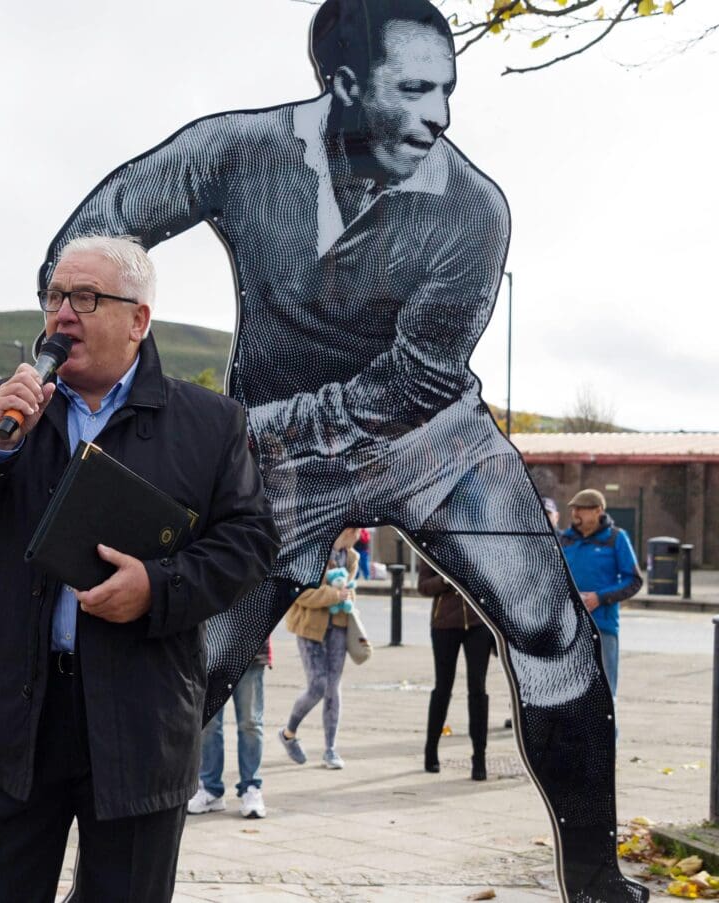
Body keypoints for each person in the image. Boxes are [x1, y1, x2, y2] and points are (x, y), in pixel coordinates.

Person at [40, 1, 647, 899]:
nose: (442, 111)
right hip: (272, 464)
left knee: (552, 627)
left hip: (434, 443)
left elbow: (411, 384)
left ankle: (596, 883)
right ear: (345, 85)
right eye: (415, 88)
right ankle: (115, 881)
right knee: (194, 662)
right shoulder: (236, 149)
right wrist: (157, 402)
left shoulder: (474, 208)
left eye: (447, 86)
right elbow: (91, 238)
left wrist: (230, 431)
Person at [0, 235, 278, 903]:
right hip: (15, 716)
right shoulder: (4, 406)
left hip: (139, 718)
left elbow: (250, 543)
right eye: (54, 297)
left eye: (86, 298)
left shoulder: (208, 424)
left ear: (139, 319)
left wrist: (157, 588)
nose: (63, 315)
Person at [278, 528, 360, 770]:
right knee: (318, 685)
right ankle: (288, 732)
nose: (360, 537)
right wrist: (335, 595)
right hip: (309, 627)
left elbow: (350, 590)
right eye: (358, 532)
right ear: (349, 530)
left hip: (339, 625)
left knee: (333, 687)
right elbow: (301, 593)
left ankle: (330, 749)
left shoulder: (352, 557)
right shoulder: (313, 549)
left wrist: (347, 597)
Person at [559, 489, 643, 699]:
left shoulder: (616, 538)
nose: (575, 513)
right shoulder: (563, 540)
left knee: (603, 691)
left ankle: (607, 733)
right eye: (573, 509)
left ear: (598, 511)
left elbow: (634, 580)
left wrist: (600, 597)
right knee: (570, 692)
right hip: (568, 625)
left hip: (602, 626)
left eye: (581, 509)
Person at [419, 560, 495, 781]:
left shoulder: (479, 544)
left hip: (478, 624)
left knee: (478, 689)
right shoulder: (433, 542)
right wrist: (445, 579)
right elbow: (423, 586)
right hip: (444, 624)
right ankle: (431, 749)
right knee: (443, 688)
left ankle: (479, 757)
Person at [187, 638, 270, 819]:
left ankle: (251, 786)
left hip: (252, 650)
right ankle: (210, 788)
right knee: (209, 724)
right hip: (212, 649)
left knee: (251, 724)